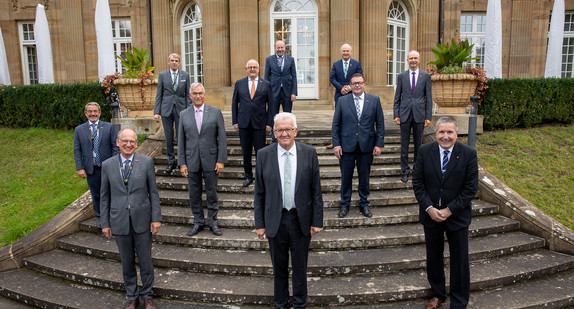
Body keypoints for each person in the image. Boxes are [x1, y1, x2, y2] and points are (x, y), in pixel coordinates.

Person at [254, 112, 323, 309]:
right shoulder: (263, 155)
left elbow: (316, 190)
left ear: (296, 131)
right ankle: (281, 304)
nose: (284, 133)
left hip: (301, 219)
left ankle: (300, 304)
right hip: (275, 220)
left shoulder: (309, 153)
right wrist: (259, 224)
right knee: (279, 268)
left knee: (300, 267)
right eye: (280, 130)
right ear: (274, 132)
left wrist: (317, 221)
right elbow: (259, 193)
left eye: (288, 129)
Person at [412, 116, 478, 309]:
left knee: (459, 259)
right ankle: (437, 294)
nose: (445, 136)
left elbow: (470, 188)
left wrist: (449, 210)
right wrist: (429, 208)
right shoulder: (425, 151)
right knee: (433, 257)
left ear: (457, 133)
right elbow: (418, 183)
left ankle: (458, 301)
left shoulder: (469, 154)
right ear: (436, 133)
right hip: (430, 215)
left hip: (457, 216)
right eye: (442, 132)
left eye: (450, 132)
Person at [100, 128, 162, 309]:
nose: (129, 144)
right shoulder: (107, 165)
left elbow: (153, 192)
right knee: (127, 263)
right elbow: (104, 196)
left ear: (136, 143)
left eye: (132, 141)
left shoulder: (146, 162)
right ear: (118, 143)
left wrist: (156, 218)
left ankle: (148, 296)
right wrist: (105, 223)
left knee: (145, 261)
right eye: (125, 141)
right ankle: (132, 296)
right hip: (119, 221)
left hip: (142, 220)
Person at [331, 73, 384, 219]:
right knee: (346, 177)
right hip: (346, 146)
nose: (357, 85)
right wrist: (336, 145)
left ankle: (364, 203)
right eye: (354, 83)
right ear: (350, 85)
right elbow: (336, 125)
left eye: (360, 83)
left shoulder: (374, 100)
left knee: (364, 177)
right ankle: (344, 204)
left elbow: (380, 124)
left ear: (364, 84)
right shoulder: (342, 101)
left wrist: (379, 144)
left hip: (367, 146)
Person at [178, 83, 227, 237]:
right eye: (195, 93)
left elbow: (222, 139)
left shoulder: (215, 112)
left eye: (200, 93)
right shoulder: (184, 114)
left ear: (204, 94)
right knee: (194, 194)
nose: (198, 96)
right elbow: (181, 140)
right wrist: (182, 163)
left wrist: (221, 160)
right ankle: (198, 222)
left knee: (212, 192)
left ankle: (213, 222)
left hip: (211, 160)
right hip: (192, 160)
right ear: (190, 96)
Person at [73, 102, 119, 222]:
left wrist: (113, 163)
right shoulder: (79, 130)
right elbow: (77, 150)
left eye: (95, 111)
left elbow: (115, 146)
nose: (92, 114)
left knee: (110, 193)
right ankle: (101, 218)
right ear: (85, 113)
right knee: (96, 194)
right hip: (91, 168)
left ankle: (111, 217)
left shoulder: (109, 127)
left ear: (99, 112)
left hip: (107, 168)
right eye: (90, 111)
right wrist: (80, 168)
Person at [232, 59, 274, 187]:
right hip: (243, 124)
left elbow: (271, 105)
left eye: (254, 67)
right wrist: (235, 121)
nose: (252, 69)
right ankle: (248, 176)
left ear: (258, 69)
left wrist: (269, 123)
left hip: (260, 124)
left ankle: (260, 178)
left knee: (260, 153)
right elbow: (234, 104)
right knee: (246, 152)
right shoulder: (239, 84)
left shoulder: (266, 84)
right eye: (250, 67)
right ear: (246, 69)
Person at [393, 50, 433, 183]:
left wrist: (428, 116)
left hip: (419, 115)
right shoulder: (402, 76)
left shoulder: (426, 76)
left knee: (418, 145)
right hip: (404, 115)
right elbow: (397, 97)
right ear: (407, 60)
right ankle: (405, 170)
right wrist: (396, 114)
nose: (413, 61)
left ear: (419, 60)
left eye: (415, 58)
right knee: (404, 145)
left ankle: (417, 170)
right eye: (411, 58)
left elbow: (428, 97)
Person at [153, 53, 191, 174]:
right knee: (168, 137)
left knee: (181, 136)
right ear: (168, 62)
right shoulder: (163, 75)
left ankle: (182, 162)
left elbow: (188, 95)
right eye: (172, 60)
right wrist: (156, 111)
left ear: (179, 63)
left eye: (176, 61)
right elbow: (159, 94)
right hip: (166, 109)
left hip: (181, 109)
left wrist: (189, 110)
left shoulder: (185, 75)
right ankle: (171, 162)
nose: (174, 62)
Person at [327, 43, 363, 149]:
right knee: (338, 118)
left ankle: (352, 140)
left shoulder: (356, 64)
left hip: (353, 95)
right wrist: (341, 88)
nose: (346, 53)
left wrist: (350, 88)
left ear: (351, 52)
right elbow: (332, 78)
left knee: (353, 117)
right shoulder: (336, 64)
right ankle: (335, 141)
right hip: (340, 95)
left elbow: (360, 77)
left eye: (347, 51)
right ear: (340, 52)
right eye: (344, 51)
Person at [265, 40, 297, 143]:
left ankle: (289, 135)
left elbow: (294, 76)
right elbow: (266, 77)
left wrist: (294, 92)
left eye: (282, 47)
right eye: (278, 47)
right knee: (273, 115)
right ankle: (275, 137)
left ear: (285, 48)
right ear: (275, 48)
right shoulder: (269, 60)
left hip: (287, 91)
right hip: (274, 91)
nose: (280, 49)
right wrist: (266, 93)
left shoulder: (290, 60)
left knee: (288, 115)